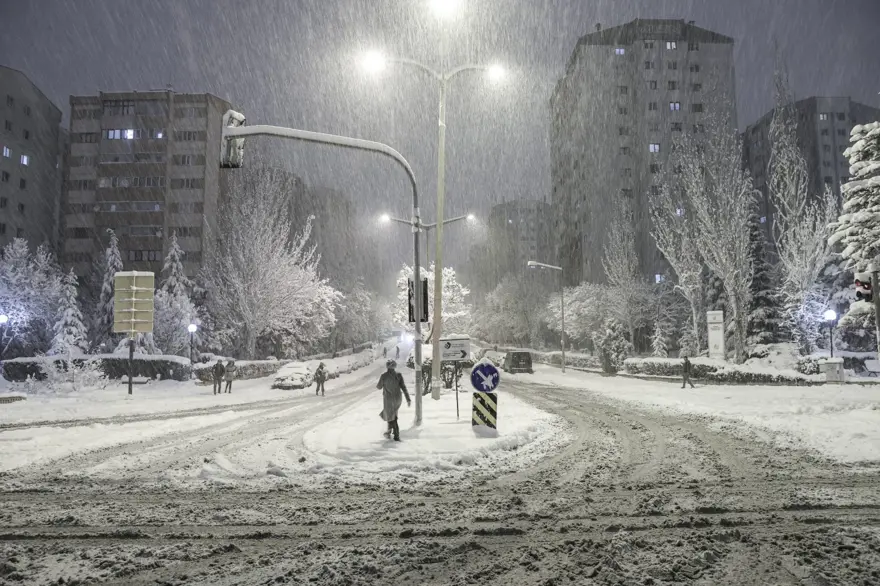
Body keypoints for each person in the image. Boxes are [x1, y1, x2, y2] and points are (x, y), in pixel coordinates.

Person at [377, 359, 411, 442]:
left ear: (387, 366)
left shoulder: (384, 376)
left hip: (388, 399)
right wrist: (408, 399)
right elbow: (403, 387)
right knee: (391, 415)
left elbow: (379, 387)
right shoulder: (398, 375)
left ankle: (396, 435)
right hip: (398, 399)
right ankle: (389, 432)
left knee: (392, 416)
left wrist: (383, 383)